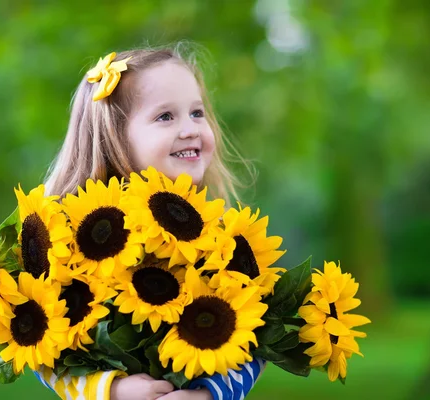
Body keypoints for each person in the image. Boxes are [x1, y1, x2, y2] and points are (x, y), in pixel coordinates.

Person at [34, 43, 264, 400]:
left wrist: (207, 395)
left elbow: (254, 337)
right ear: (114, 138)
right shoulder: (72, 242)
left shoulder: (221, 240)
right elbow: (43, 351)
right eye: (166, 117)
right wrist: (110, 390)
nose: (190, 129)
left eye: (197, 113)